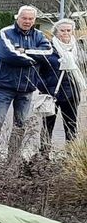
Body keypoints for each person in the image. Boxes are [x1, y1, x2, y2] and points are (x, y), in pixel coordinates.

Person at [0, 5, 54, 171]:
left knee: (20, 126)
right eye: (24, 18)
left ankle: (12, 162)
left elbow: (48, 52)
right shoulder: (5, 32)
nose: (27, 21)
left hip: (27, 88)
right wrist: (32, 58)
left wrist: (24, 51)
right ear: (18, 17)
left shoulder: (39, 35)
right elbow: (8, 55)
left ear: (34, 20)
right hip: (5, 86)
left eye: (31, 19)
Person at [42, 17, 85, 155]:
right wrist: (44, 87)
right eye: (62, 30)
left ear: (73, 32)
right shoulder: (49, 48)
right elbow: (38, 71)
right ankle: (43, 154)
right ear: (56, 32)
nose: (65, 33)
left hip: (72, 93)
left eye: (68, 30)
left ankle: (70, 154)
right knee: (47, 125)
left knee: (71, 125)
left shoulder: (78, 50)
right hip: (52, 93)